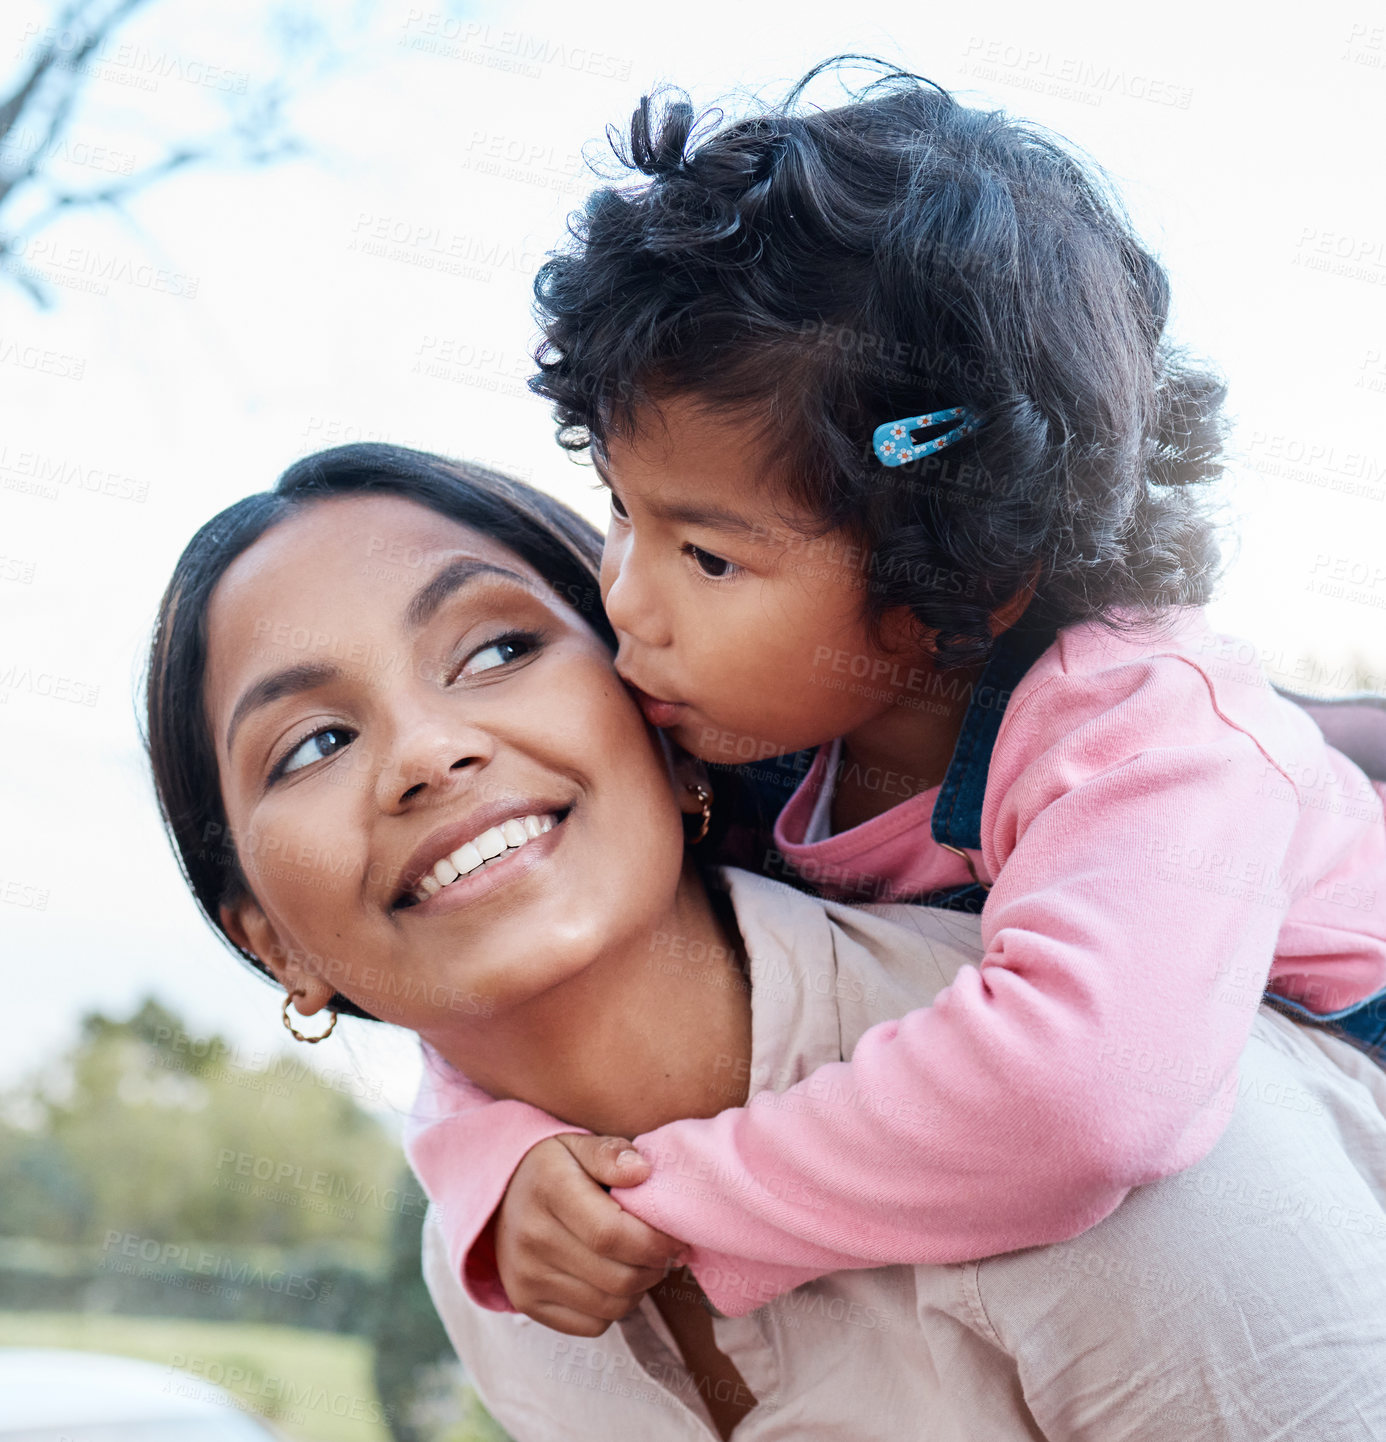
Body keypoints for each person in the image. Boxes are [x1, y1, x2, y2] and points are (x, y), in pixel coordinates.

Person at [404, 59, 1386, 1332]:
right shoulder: (745, 734)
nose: (627, 599)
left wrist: (671, 1198)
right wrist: (502, 1158)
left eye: (709, 555)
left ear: (952, 569)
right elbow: (534, 927)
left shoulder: (1158, 732)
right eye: (621, 511)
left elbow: (1083, 1098)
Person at [142, 444, 1386, 1440]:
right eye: (311, 743)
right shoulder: (493, 1277)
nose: (425, 754)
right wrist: (483, 1180)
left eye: (500, 647)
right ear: (268, 938)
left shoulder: (1085, 1083)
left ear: (656, 708)